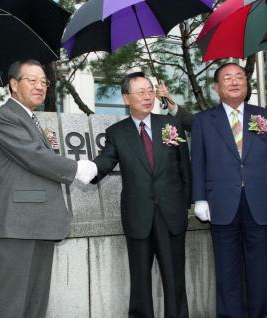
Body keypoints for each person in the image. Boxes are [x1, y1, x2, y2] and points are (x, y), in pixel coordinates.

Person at [0, 59, 96, 318]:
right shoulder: (4, 117)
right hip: (15, 225)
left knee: (35, 304)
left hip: (37, 223)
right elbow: (33, 156)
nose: (40, 86)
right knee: (9, 305)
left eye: (43, 81)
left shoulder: (30, 119)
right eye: (31, 80)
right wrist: (75, 169)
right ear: (13, 84)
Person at [91, 72, 191, 317]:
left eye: (150, 91)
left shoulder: (171, 125)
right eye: (140, 92)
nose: (147, 97)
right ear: (126, 98)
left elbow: (184, 168)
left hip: (171, 213)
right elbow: (105, 161)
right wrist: (84, 171)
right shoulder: (117, 132)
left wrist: (189, 203)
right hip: (138, 215)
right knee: (140, 281)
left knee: (174, 278)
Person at [191, 63, 267, 317]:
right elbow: (198, 162)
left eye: (240, 77)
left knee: (263, 270)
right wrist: (199, 199)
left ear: (247, 83)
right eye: (227, 78)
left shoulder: (265, 116)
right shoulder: (203, 120)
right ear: (216, 87)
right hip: (221, 204)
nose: (234, 82)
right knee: (227, 271)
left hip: (260, 201)